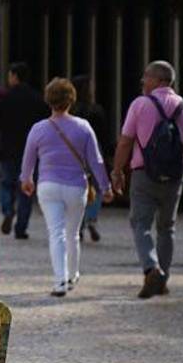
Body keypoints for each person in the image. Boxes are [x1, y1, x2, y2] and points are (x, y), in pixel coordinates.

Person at [110, 60, 183, 299]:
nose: (143, 81)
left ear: (159, 80)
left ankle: (152, 268)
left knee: (140, 224)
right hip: (174, 177)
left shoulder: (140, 105)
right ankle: (163, 279)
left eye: (147, 76)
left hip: (144, 174)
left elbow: (125, 141)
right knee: (167, 227)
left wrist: (117, 171)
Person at [20, 78, 113, 296]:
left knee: (56, 233)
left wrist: (26, 179)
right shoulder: (83, 127)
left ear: (48, 100)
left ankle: (60, 281)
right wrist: (105, 187)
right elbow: (96, 161)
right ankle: (72, 274)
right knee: (73, 233)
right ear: (71, 99)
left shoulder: (39, 128)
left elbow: (28, 160)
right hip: (76, 187)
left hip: (48, 185)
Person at [0, 62, 47, 239]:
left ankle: (8, 210)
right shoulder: (37, 99)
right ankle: (21, 227)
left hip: (7, 149)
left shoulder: (4, 98)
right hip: (30, 151)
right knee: (26, 188)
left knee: (7, 183)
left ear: (14, 76)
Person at [71, 75, 112, 243]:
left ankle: (79, 224)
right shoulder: (97, 111)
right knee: (95, 187)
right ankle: (92, 218)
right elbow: (104, 136)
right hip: (95, 152)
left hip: (74, 153)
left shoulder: (71, 112)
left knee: (77, 187)